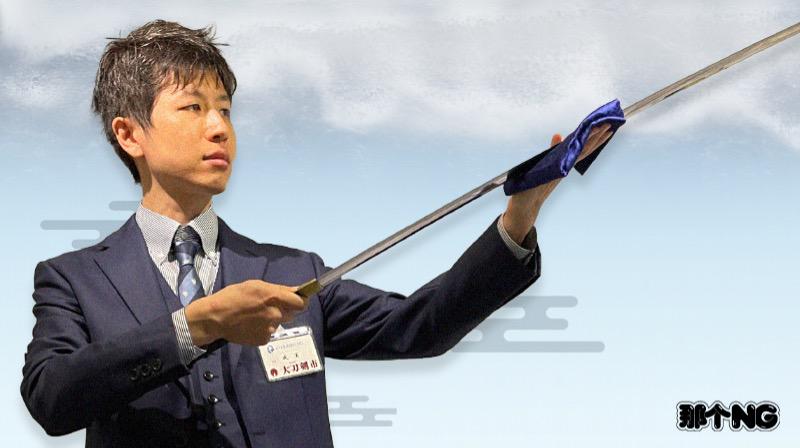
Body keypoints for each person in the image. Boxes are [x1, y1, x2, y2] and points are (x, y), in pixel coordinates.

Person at [20, 19, 613, 448]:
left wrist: (521, 213)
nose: (219, 128)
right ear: (130, 135)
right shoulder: (74, 280)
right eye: (193, 108)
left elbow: (422, 326)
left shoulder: (292, 271)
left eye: (225, 109)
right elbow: (51, 398)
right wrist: (196, 326)